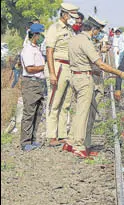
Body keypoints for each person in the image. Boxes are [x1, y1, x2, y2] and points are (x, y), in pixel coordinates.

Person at [65, 16, 124, 158]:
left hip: (74, 76)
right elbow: (100, 64)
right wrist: (120, 73)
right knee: (84, 113)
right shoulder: (86, 42)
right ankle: (79, 145)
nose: (98, 33)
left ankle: (71, 141)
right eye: (98, 30)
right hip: (85, 78)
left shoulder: (74, 39)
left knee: (78, 111)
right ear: (93, 29)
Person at [45, 2, 79, 147]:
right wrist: (52, 73)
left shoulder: (71, 30)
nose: (74, 19)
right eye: (72, 16)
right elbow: (49, 51)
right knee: (54, 102)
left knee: (66, 103)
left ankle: (62, 134)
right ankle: (52, 135)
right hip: (58, 66)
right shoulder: (55, 28)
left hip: (69, 67)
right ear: (64, 14)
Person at [20, 23, 46, 151]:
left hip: (38, 83)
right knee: (29, 113)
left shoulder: (37, 49)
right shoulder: (28, 49)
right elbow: (29, 68)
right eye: (40, 34)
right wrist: (45, 67)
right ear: (35, 35)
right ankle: (25, 142)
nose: (42, 36)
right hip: (30, 82)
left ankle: (33, 139)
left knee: (38, 112)